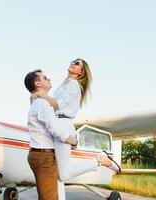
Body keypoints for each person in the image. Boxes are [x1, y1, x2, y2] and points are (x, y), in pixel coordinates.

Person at [32, 59, 120, 200]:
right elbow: (50, 106)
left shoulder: (74, 84)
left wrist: (42, 95)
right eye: (73, 61)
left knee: (63, 174)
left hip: (63, 125)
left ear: (81, 72)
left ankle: (98, 160)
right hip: (56, 123)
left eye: (77, 64)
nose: (73, 63)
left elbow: (58, 104)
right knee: (57, 174)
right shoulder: (64, 84)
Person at [24, 69, 78, 200]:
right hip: (44, 156)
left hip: (41, 154)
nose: (49, 79)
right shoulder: (42, 104)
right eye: (45, 77)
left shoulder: (39, 102)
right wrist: (72, 140)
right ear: (37, 83)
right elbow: (53, 127)